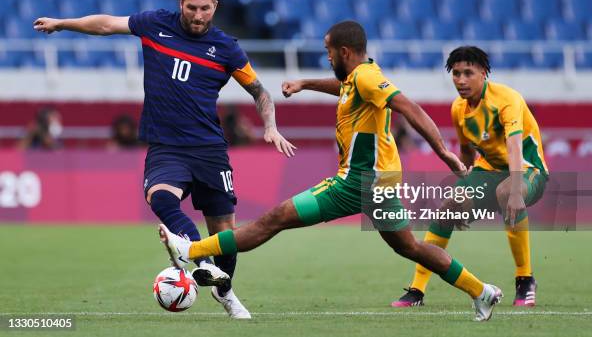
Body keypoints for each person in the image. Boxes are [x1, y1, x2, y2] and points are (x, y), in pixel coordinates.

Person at [158, 21, 502, 322]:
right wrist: (305, 83)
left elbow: (407, 105)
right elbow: (344, 87)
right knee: (410, 246)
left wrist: (443, 152)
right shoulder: (358, 77)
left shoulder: (368, 77)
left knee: (274, 218)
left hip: (357, 182)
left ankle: (192, 251)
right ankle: (481, 291)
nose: (327, 58)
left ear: (345, 51)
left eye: (329, 52)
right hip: (380, 182)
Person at [34, 0, 296, 319]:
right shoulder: (155, 24)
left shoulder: (227, 48)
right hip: (167, 146)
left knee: (225, 235)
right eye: (192, 8)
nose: (198, 16)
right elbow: (107, 24)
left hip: (209, 150)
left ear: (215, 6)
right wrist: (64, 23)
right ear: (180, 3)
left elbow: (259, 91)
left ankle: (226, 293)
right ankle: (199, 260)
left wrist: (270, 126)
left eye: (205, 8)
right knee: (159, 196)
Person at [392, 46, 547, 308]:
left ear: (484, 73)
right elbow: (466, 153)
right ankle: (417, 290)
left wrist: (517, 188)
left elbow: (514, 147)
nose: (461, 80)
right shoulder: (458, 109)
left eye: (468, 73)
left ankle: (525, 279)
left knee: (507, 192)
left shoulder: (507, 99)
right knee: (445, 212)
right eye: (456, 74)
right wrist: (460, 195)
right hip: (487, 171)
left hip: (528, 170)